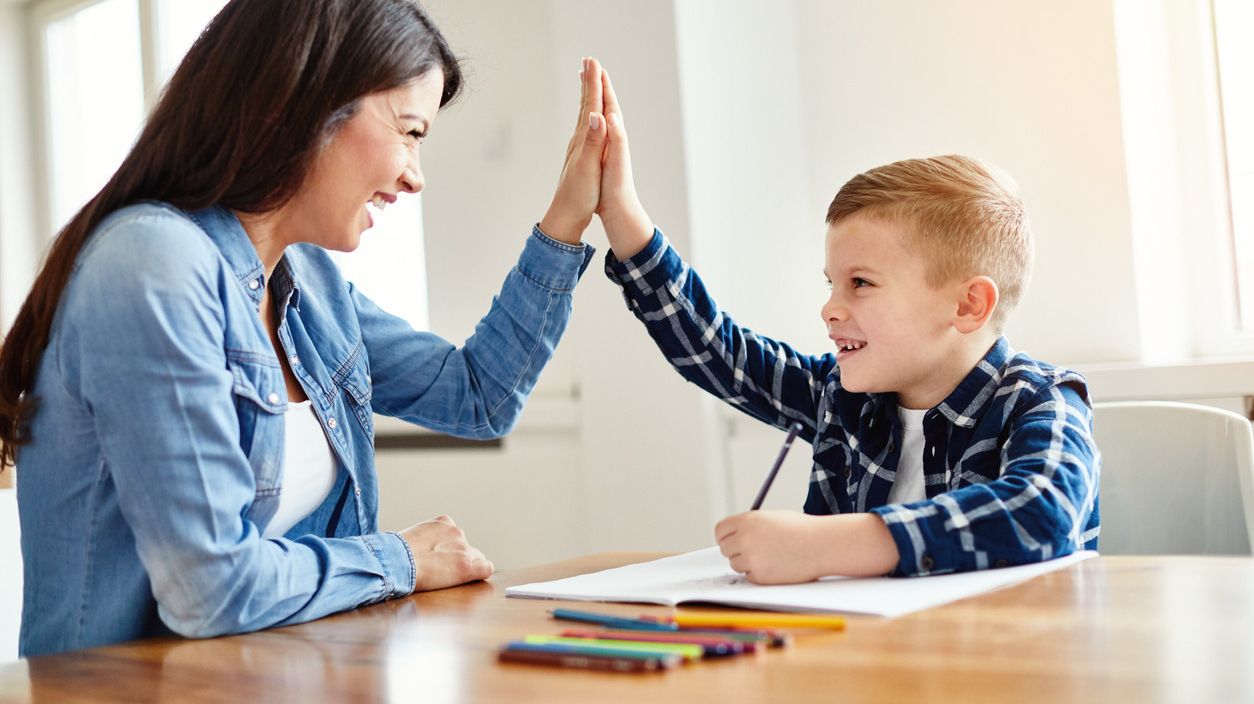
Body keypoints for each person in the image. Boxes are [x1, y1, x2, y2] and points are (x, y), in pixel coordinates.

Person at [0, 0, 612, 657]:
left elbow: (478, 396)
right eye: (409, 131)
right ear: (305, 101)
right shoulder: (154, 266)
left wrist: (568, 217)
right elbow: (210, 590)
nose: (415, 175)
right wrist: (399, 558)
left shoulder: (307, 282)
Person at [588, 71, 1100, 583]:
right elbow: (718, 351)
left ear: (968, 305)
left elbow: (1043, 511)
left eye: (861, 283)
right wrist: (623, 216)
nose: (829, 309)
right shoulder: (842, 395)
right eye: (831, 283)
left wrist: (826, 546)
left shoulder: (1040, 401)